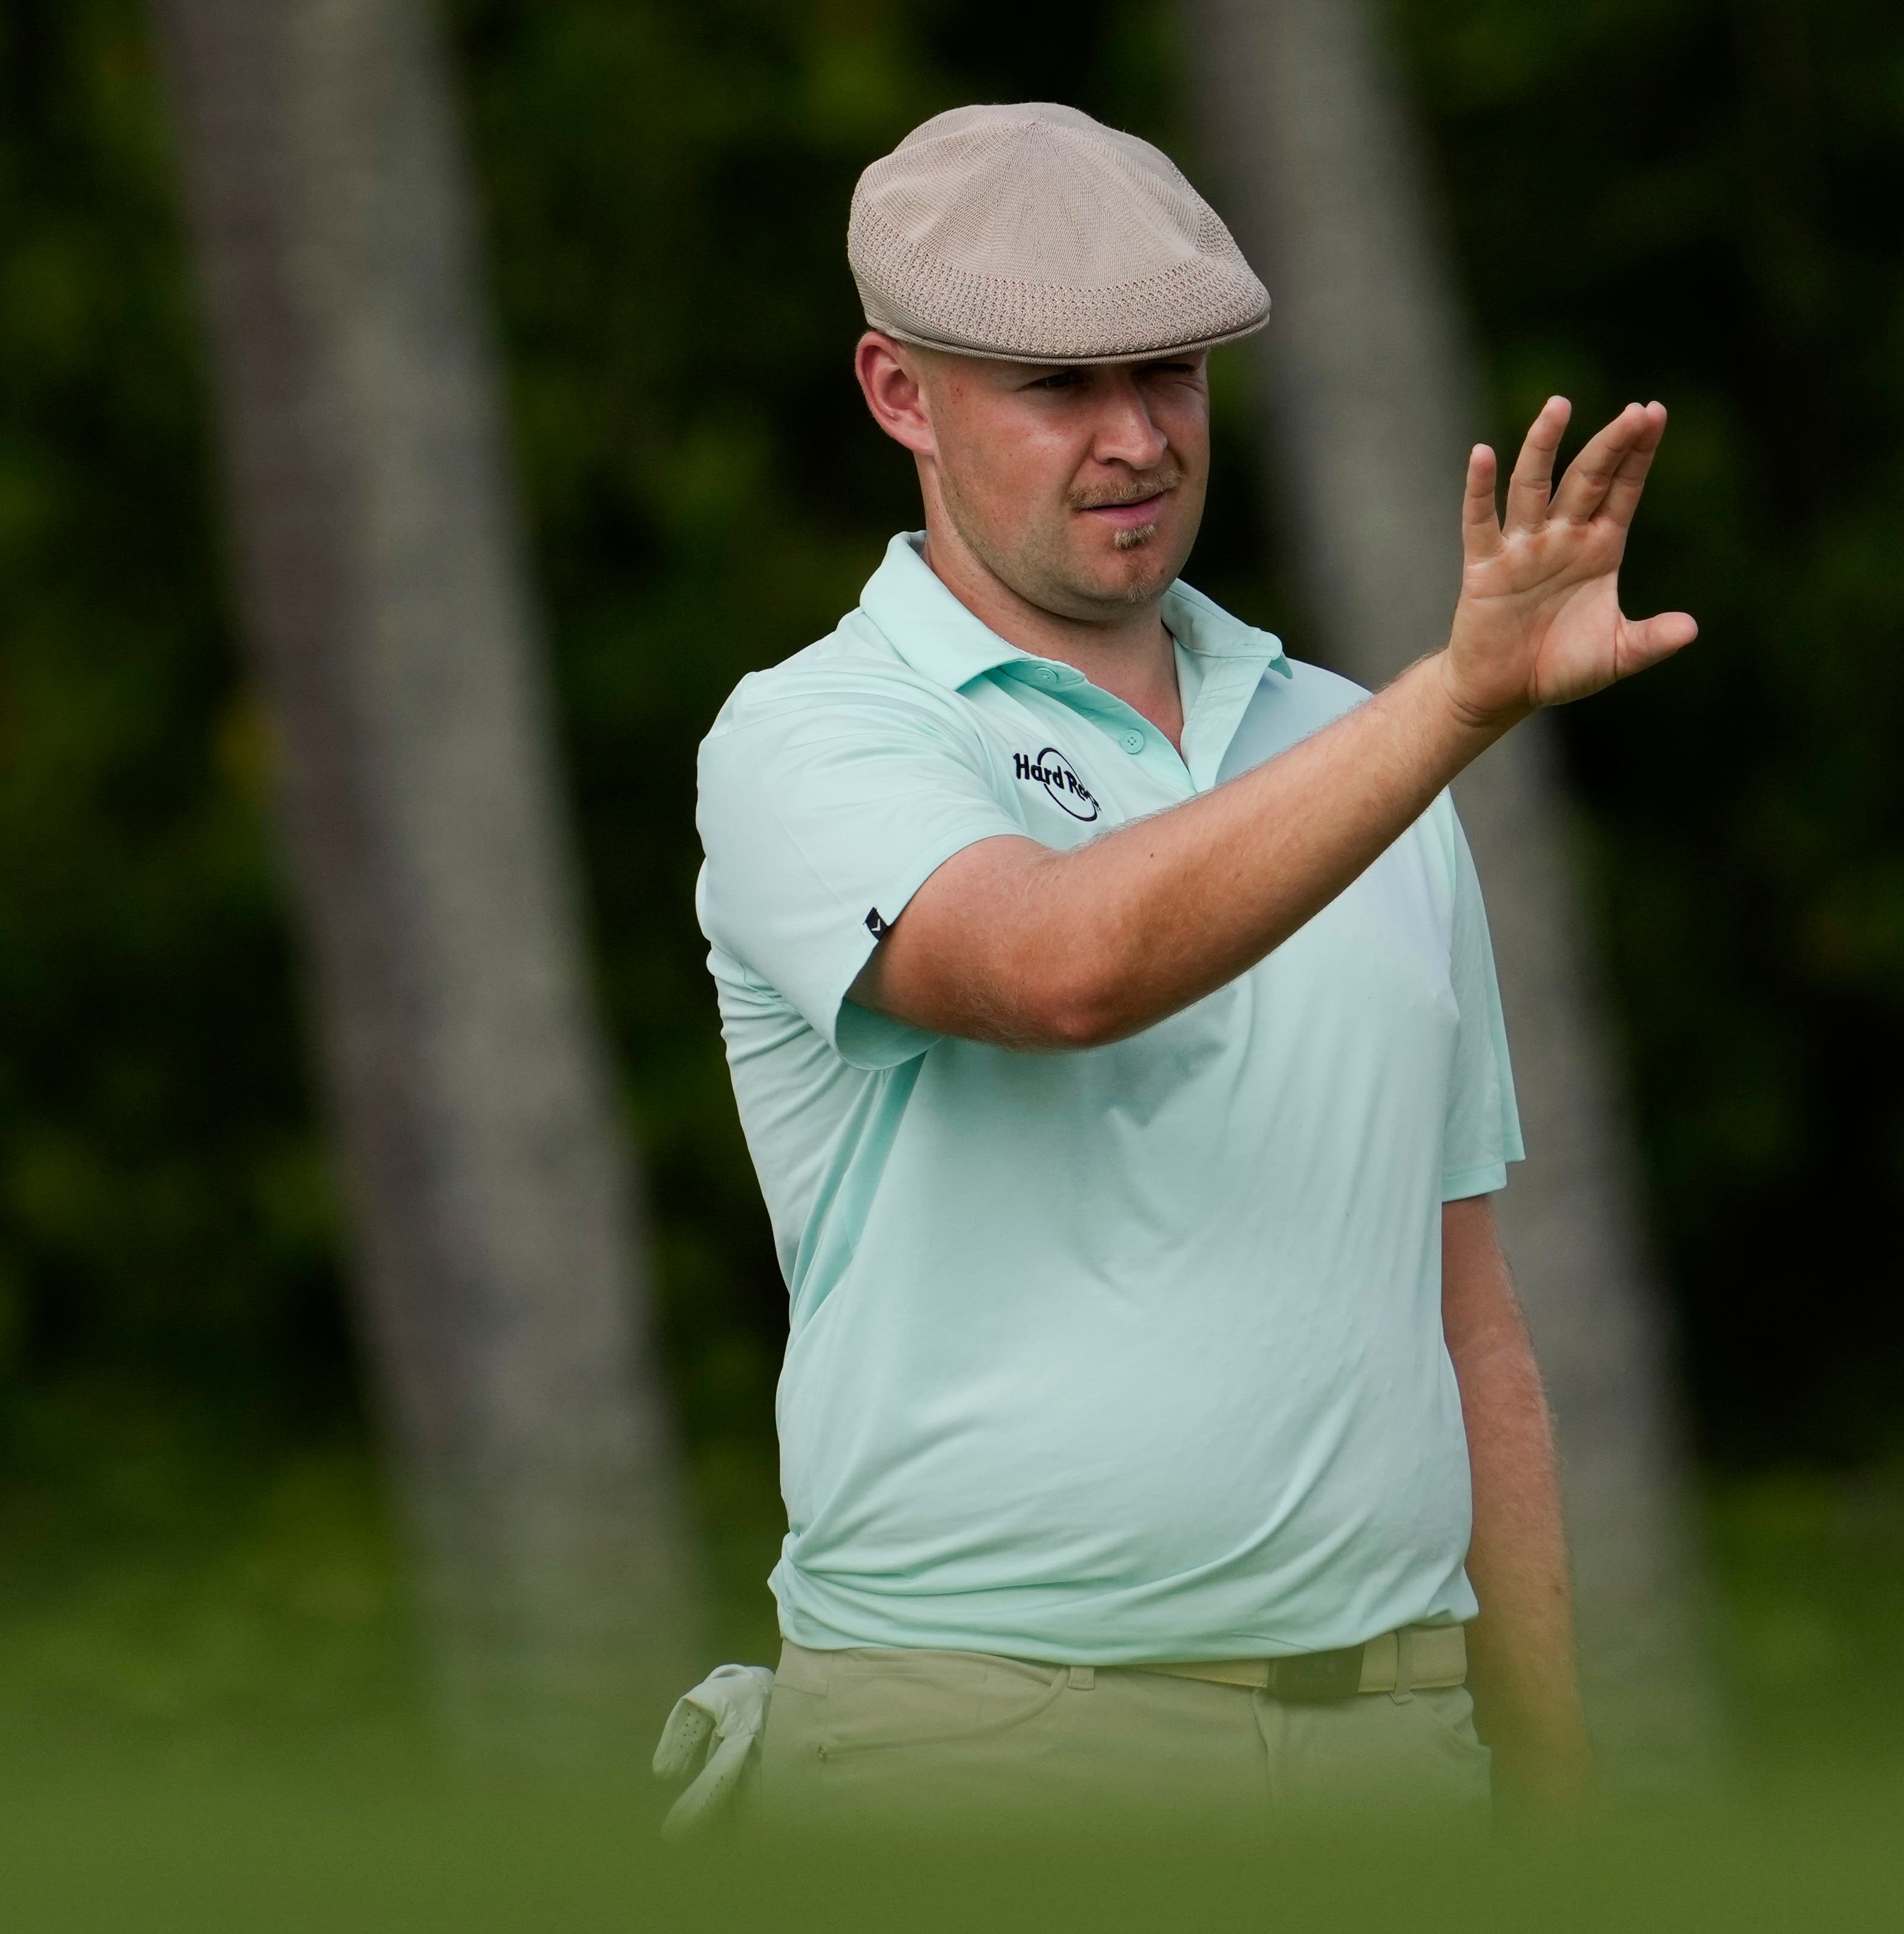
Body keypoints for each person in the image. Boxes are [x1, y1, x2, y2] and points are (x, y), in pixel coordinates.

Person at [691, 101, 1693, 1831]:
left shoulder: (1348, 749)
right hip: (981, 1751)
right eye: (1058, 387)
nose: (1137, 437)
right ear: (898, 393)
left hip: (1400, 1748)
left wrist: (1557, 1789)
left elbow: (1468, 1319)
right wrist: (1451, 708)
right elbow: (1059, 967)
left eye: (1172, 374)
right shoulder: (809, 737)